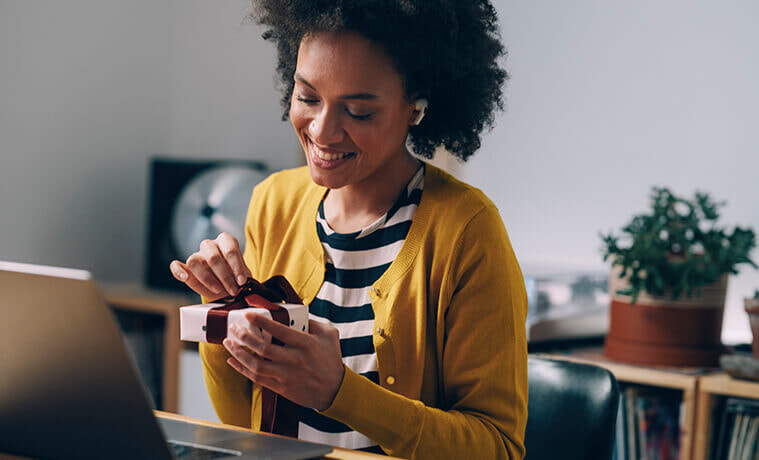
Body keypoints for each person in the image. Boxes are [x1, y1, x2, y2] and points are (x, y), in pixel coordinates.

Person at [170, 1, 527, 458]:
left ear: (416, 107)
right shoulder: (272, 203)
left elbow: (498, 447)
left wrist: (339, 391)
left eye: (358, 111)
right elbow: (243, 422)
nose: (322, 130)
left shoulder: (468, 232)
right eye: (307, 97)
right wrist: (220, 314)